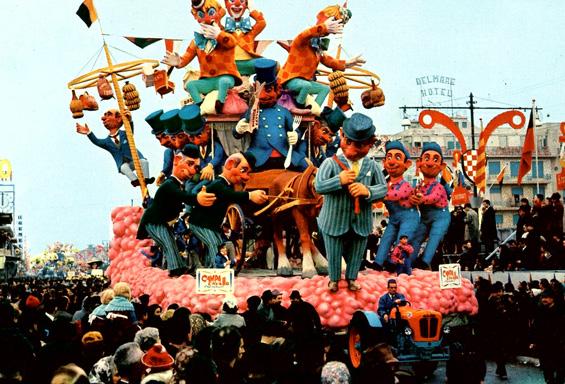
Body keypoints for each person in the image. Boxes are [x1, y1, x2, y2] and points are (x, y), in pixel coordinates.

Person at [315, 113, 387, 292]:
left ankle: (352, 278)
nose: (353, 149)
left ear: (370, 144)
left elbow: (383, 189)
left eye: (360, 145)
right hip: (334, 218)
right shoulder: (330, 164)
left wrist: (367, 191)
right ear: (341, 136)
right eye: (349, 143)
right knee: (334, 250)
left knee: (357, 249)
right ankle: (333, 279)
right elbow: (319, 186)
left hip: (360, 220)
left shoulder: (371, 166)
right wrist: (338, 180)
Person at [136, 144, 217, 277]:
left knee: (171, 243)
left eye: (196, 167)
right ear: (177, 160)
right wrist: (197, 198)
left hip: (162, 222)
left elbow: (181, 202)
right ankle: (176, 269)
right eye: (190, 164)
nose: (192, 170)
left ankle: (179, 267)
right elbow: (183, 197)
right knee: (168, 243)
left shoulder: (178, 185)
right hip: (154, 222)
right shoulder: (169, 185)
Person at [189, 152, 268, 267]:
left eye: (248, 173)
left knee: (220, 244)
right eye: (243, 170)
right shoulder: (218, 185)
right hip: (200, 223)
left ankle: (210, 266)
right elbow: (229, 195)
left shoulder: (228, 186)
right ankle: (217, 268)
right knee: (214, 243)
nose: (246, 176)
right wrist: (250, 195)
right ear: (230, 164)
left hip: (212, 225)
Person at [162, 0, 241, 113]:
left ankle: (220, 105)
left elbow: (232, 43)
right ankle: (201, 107)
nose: (207, 19)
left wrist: (218, 35)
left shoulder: (226, 35)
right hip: (207, 81)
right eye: (201, 15)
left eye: (211, 12)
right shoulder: (197, 42)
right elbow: (185, 58)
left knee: (223, 82)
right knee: (191, 85)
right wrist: (178, 62)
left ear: (219, 13)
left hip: (226, 77)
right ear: (196, 17)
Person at [278, 6, 364, 108]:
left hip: (304, 82)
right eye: (334, 22)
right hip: (289, 80)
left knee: (325, 89)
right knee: (306, 86)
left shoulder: (317, 48)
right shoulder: (303, 41)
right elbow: (303, 35)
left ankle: (312, 110)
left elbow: (328, 60)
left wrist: (347, 63)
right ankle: (299, 109)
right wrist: (322, 27)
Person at [234, 58, 303, 171]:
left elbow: (296, 130)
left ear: (277, 90)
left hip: (284, 155)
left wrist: (296, 136)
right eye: (259, 91)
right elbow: (237, 134)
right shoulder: (252, 111)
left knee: (307, 172)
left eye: (268, 90)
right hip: (258, 157)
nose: (263, 96)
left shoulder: (284, 112)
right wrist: (238, 129)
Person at [76, 109, 153, 187]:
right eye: (105, 115)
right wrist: (88, 133)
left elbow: (130, 130)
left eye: (108, 115)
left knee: (143, 161)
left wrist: (130, 120)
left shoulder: (126, 134)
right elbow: (97, 141)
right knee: (124, 167)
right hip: (123, 163)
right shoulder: (107, 142)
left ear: (119, 119)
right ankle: (135, 180)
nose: (103, 118)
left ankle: (146, 179)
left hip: (134, 159)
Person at [373, 141, 418, 270]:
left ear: (407, 164)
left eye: (397, 157)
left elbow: (393, 195)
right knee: (386, 238)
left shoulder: (405, 186)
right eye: (389, 158)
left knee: (402, 242)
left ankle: (396, 264)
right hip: (393, 218)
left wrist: (373, 194)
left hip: (409, 217)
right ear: (384, 162)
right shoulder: (385, 183)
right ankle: (378, 262)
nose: (392, 162)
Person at [409, 142, 451, 270]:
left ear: (441, 166)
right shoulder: (419, 186)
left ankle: (425, 261)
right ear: (419, 162)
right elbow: (412, 198)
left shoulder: (439, 187)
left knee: (434, 236)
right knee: (417, 237)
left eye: (435, 159)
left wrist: (422, 199)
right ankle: (409, 260)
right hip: (425, 218)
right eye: (426, 158)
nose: (430, 163)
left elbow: (434, 197)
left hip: (441, 216)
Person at [530, 290, 565, 384]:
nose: (543, 300)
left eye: (546, 298)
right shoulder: (540, 310)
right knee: (546, 368)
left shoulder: (561, 310)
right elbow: (535, 327)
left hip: (559, 344)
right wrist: (533, 341)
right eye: (542, 298)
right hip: (544, 344)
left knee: (560, 367)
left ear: (552, 299)